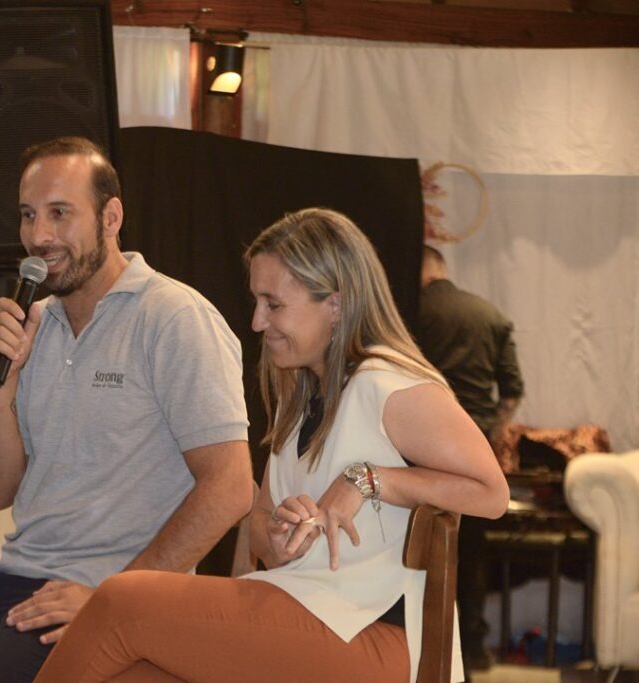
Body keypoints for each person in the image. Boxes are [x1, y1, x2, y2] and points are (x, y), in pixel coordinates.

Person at [33, 207, 510, 683]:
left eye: (273, 304)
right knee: (133, 673)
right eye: (257, 302)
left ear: (336, 304)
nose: (258, 322)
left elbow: (491, 493)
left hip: (375, 637)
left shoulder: (389, 387)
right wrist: (279, 539)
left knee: (121, 602)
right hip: (304, 608)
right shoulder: (299, 392)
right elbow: (259, 528)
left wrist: (366, 480)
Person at [0, 137, 253, 683]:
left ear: (111, 217)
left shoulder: (174, 318)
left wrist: (113, 598)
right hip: (9, 579)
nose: (39, 236)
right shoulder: (36, 323)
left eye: (60, 213)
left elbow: (231, 486)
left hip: (100, 592)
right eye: (28, 215)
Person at [417, 244, 525, 673]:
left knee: (418, 546)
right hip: (474, 449)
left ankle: (422, 646)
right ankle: (473, 648)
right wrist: (489, 434)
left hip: (420, 445)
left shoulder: (409, 311)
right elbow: (512, 390)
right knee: (471, 551)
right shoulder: (489, 315)